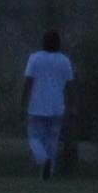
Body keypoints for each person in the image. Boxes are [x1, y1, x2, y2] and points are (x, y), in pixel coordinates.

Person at [19, 29, 73, 179]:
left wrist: (23, 100)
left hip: (36, 106)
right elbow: (69, 84)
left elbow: (28, 81)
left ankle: (43, 160)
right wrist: (72, 103)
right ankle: (49, 171)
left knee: (34, 138)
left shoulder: (34, 58)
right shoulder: (64, 60)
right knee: (52, 140)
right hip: (57, 106)